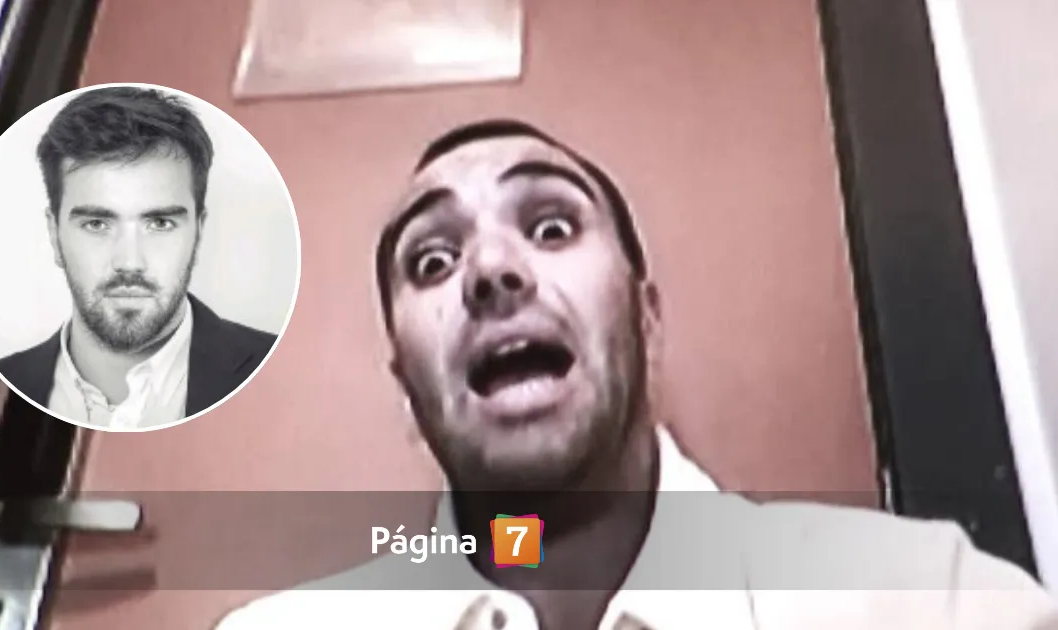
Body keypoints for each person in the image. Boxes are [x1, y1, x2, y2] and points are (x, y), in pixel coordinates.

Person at [216, 120, 1058, 629]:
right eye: (432, 260)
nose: (490, 270)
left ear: (645, 318)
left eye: (551, 227)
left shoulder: (930, 601)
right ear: (407, 382)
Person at [0, 86, 277, 430]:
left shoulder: (283, 369)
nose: (129, 262)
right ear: (54, 235)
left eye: (159, 223)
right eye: (97, 224)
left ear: (198, 232)